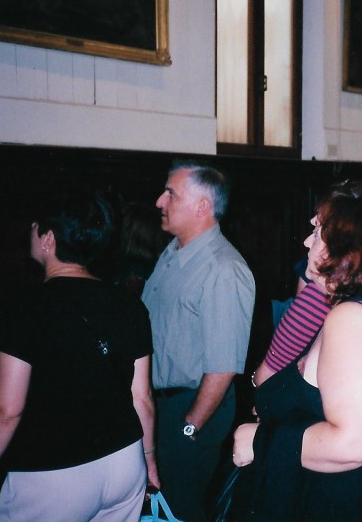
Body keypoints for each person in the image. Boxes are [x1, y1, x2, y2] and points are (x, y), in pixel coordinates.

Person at [232, 180, 362, 521]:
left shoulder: (351, 317)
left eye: (317, 232)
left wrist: (260, 441)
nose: (307, 242)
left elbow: (352, 444)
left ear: (343, 248)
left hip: (344, 503)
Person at [0, 192, 158, 522]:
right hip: (125, 463)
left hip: (56, 473)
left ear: (48, 239)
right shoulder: (129, 305)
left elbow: (6, 411)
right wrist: (150, 461)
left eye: (35, 227)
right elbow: (141, 398)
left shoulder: (25, 308)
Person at [141, 161, 255, 522]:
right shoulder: (172, 254)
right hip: (160, 405)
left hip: (191, 409)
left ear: (202, 206)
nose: (160, 201)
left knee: (181, 511)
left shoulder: (223, 269)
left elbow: (223, 368)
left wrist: (188, 428)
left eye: (170, 194)